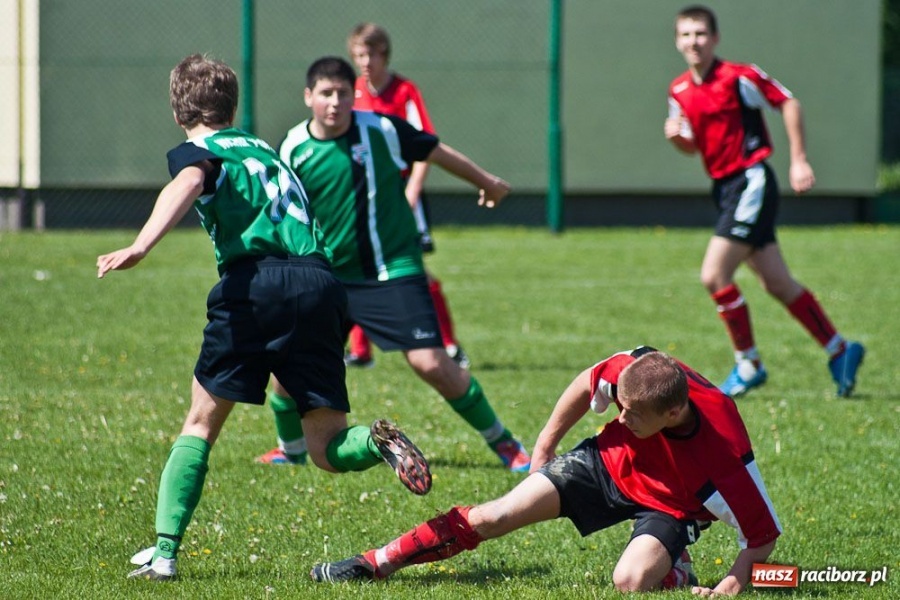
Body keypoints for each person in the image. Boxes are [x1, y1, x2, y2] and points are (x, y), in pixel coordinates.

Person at [97, 54, 432, 582]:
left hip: (256, 286)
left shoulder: (200, 150)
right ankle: (376, 441)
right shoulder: (266, 149)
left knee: (201, 423)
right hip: (321, 284)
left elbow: (187, 182)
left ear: (177, 107)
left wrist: (142, 244)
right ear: (231, 103)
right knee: (326, 447)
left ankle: (163, 555)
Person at [310, 347, 782, 596]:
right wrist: (545, 444)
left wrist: (733, 586)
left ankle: (674, 570)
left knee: (631, 583)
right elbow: (587, 380)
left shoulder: (724, 451)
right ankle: (375, 564)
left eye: (633, 415)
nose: (620, 417)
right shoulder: (636, 374)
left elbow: (762, 535)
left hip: (673, 504)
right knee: (494, 516)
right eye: (620, 405)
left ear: (674, 412)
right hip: (605, 464)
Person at [256, 56, 531, 473]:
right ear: (308, 97)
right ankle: (289, 450)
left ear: (355, 94)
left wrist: (487, 182)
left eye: (343, 93)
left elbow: (435, 150)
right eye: (326, 94)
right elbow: (281, 210)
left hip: (391, 268)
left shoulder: (380, 129)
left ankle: (507, 446)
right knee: (288, 370)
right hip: (327, 277)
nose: (335, 103)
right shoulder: (293, 146)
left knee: (431, 362)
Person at [664, 4, 864, 398]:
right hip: (724, 189)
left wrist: (800, 159)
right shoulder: (679, 91)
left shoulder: (739, 77)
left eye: (701, 34)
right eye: (686, 35)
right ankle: (840, 350)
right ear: (677, 41)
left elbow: (788, 101)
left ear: (715, 38)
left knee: (714, 275)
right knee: (776, 281)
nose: (694, 42)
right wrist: (678, 140)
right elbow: (692, 147)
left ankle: (748, 363)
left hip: (751, 180)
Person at [342, 22, 469, 370]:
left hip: (401, 191)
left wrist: (413, 188)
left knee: (416, 267)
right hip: (364, 193)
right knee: (356, 260)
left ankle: (449, 344)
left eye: (370, 54)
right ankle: (360, 351)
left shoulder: (404, 91)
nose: (365, 61)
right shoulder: (350, 92)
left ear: (384, 54)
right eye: (358, 55)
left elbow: (426, 145)